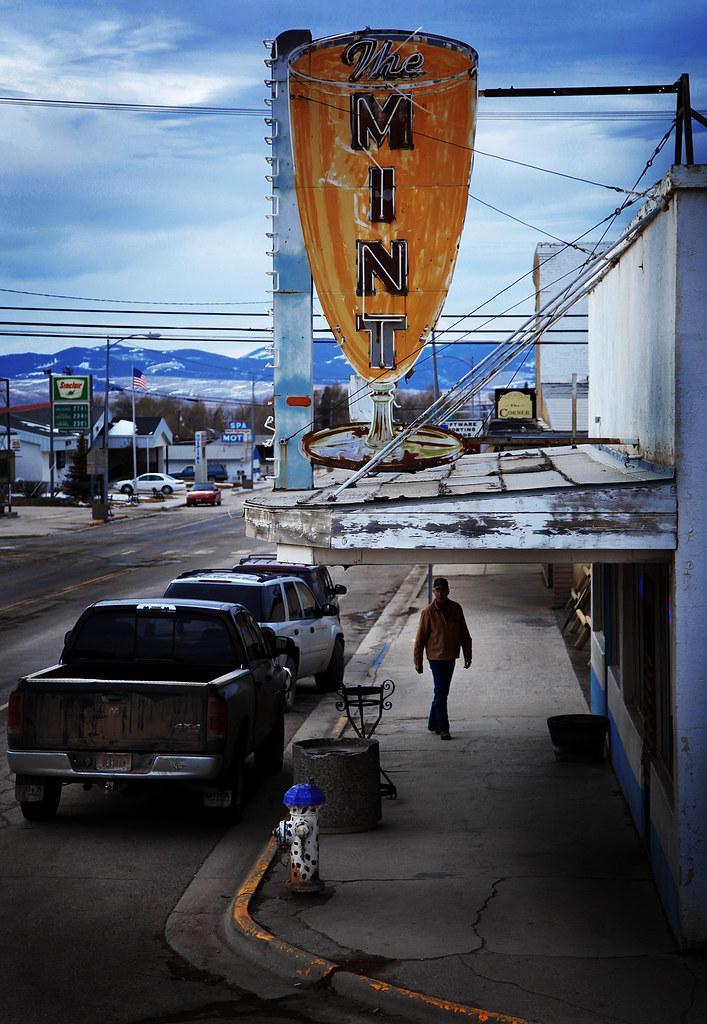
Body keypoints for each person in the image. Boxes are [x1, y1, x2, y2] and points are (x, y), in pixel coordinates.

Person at [414, 576, 472, 741]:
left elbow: (464, 634)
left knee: (442, 692)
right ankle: (443, 728)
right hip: (435, 658)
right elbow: (420, 639)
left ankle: (433, 722)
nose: (440, 593)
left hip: (450, 656)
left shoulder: (456, 608)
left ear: (448, 591)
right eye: (437, 590)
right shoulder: (428, 613)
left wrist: (468, 655)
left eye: (443, 590)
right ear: (433, 592)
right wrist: (418, 662)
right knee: (440, 691)